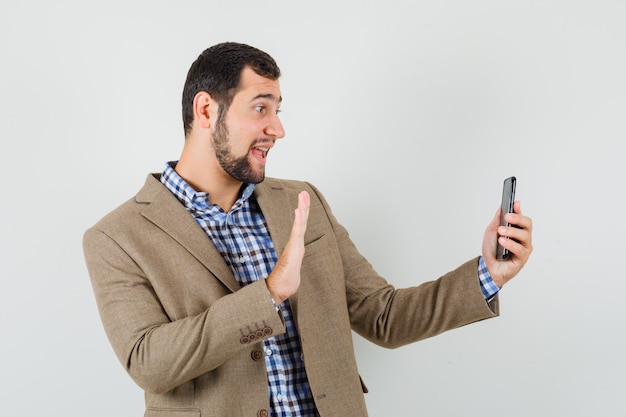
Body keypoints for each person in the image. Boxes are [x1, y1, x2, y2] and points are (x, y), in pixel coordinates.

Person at [83, 42, 533, 417]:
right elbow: (149, 363)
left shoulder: (302, 202)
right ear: (206, 109)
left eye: (277, 109)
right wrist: (270, 293)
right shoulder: (118, 236)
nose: (276, 129)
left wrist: (489, 274)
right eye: (261, 108)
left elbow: (384, 317)